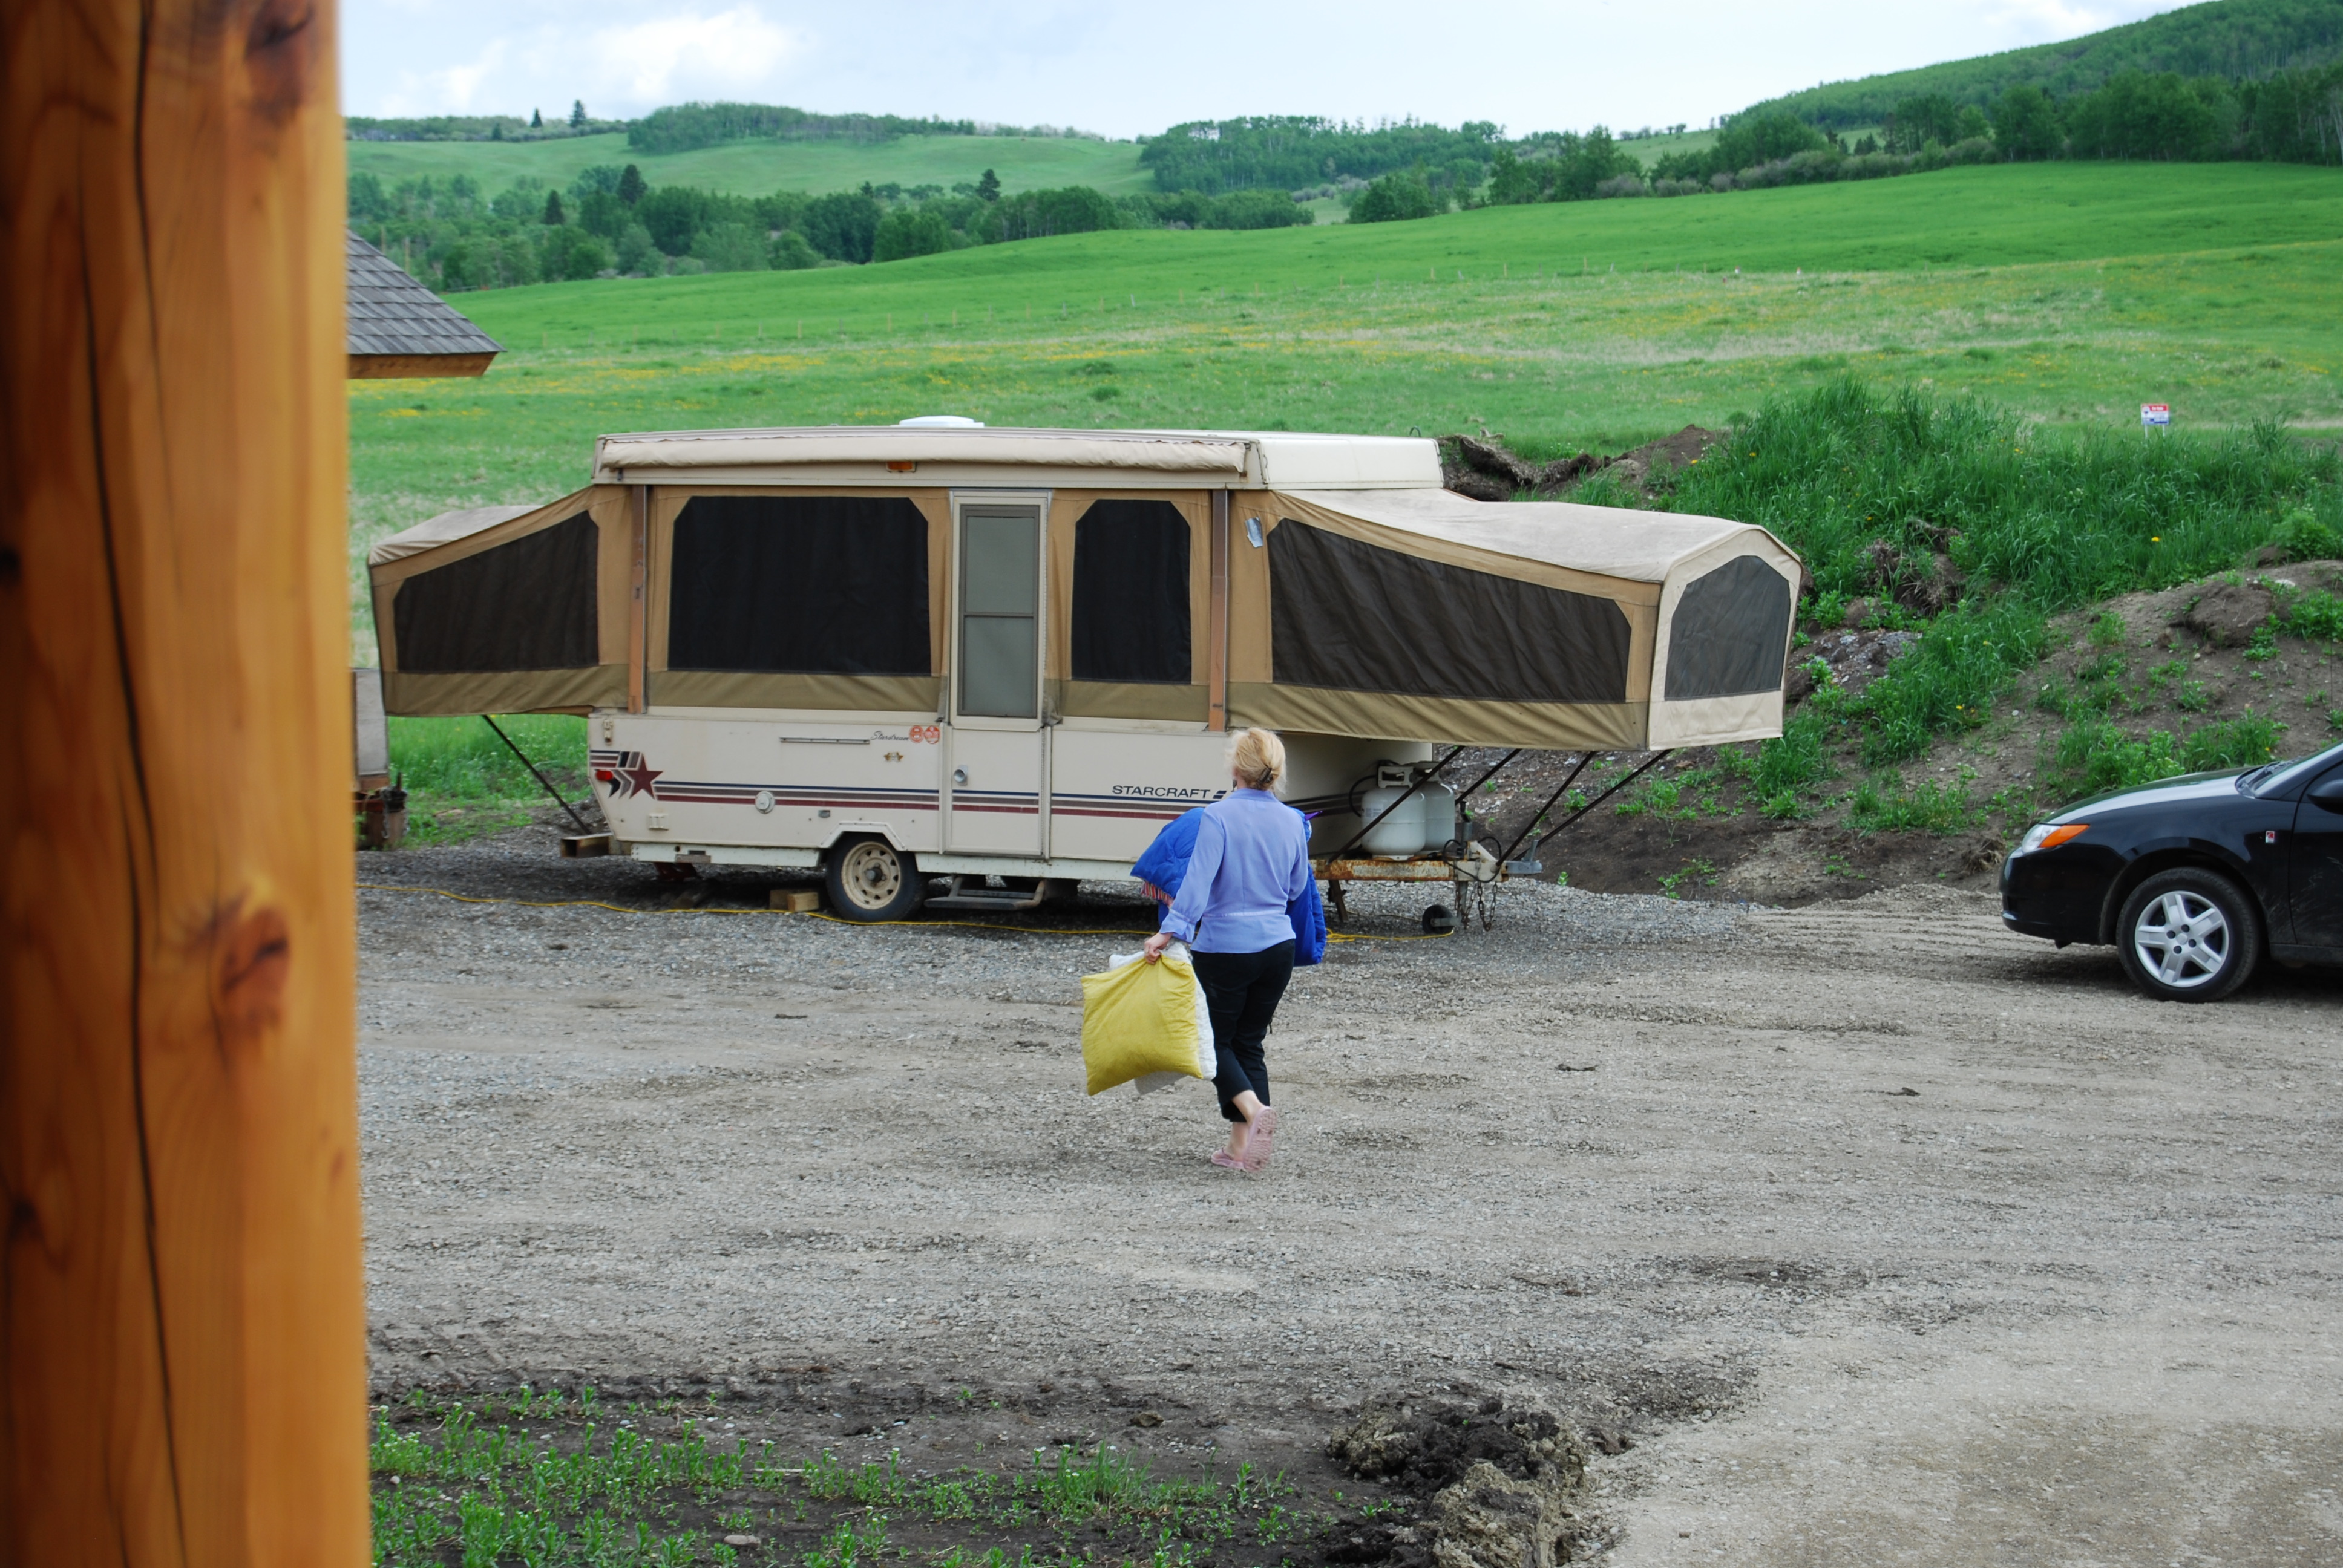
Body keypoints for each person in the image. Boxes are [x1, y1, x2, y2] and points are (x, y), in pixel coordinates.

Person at [1143, 728, 1312, 1172]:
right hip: (1278, 946)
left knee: (1212, 1041)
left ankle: (1254, 1112)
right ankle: (1241, 1150)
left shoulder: (1216, 817)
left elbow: (1196, 886)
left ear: (1235, 767)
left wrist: (1167, 934)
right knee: (1248, 1043)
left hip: (1226, 947)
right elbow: (1298, 887)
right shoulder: (1293, 821)